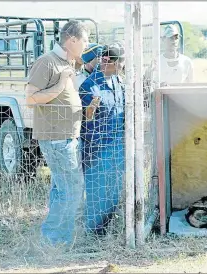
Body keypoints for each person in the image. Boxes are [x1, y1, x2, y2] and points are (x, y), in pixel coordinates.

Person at [25, 20, 89, 246]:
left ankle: (54, 238)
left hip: (66, 138)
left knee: (61, 190)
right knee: (72, 189)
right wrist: (61, 84)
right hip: (57, 139)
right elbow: (30, 99)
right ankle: (56, 239)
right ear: (72, 40)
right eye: (84, 40)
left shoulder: (66, 62)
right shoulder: (47, 62)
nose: (86, 45)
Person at [78, 42, 126, 235]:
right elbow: (87, 123)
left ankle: (107, 230)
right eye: (120, 63)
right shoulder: (89, 87)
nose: (123, 67)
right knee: (97, 196)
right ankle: (94, 237)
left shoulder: (117, 82)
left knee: (113, 194)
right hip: (97, 152)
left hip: (117, 149)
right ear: (107, 61)